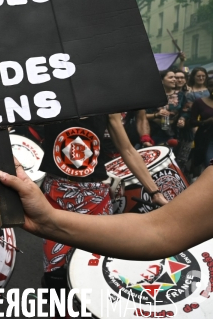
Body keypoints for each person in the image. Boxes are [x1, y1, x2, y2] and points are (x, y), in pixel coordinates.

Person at [35, 113, 167, 291]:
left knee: (92, 269)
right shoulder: (49, 98)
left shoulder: (105, 105)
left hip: (95, 199)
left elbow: (127, 149)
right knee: (55, 273)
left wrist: (155, 192)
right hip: (56, 197)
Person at [0, 162, 213, 261]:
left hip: (94, 190)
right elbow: (161, 231)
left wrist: (153, 191)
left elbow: (162, 232)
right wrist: (48, 220)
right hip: (58, 189)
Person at [145, 70, 188, 145]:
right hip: (154, 133)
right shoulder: (152, 96)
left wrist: (182, 119)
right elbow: (142, 116)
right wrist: (156, 115)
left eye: (174, 77)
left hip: (174, 133)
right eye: (171, 77)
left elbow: (185, 111)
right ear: (161, 80)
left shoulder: (180, 95)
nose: (174, 79)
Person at [190, 77, 213, 174]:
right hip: (206, 138)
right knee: (209, 164)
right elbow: (191, 121)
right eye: (212, 86)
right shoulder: (199, 102)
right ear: (207, 87)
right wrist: (206, 121)